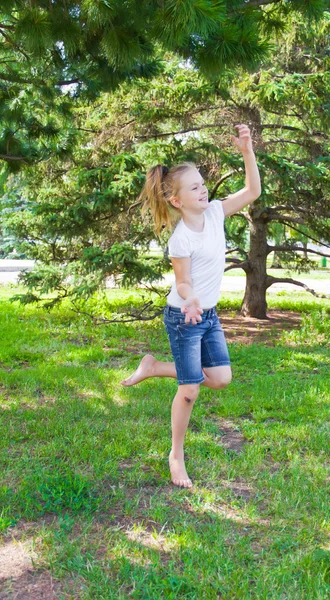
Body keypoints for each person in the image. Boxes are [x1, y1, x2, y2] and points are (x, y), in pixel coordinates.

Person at [120, 124, 261, 488]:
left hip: (208, 315)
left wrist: (247, 150)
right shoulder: (180, 239)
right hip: (183, 316)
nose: (204, 189)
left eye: (203, 183)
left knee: (221, 378)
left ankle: (153, 366)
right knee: (190, 389)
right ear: (177, 201)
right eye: (195, 187)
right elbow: (182, 281)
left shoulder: (215, 213)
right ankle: (176, 456)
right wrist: (191, 296)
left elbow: (252, 191)